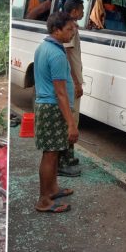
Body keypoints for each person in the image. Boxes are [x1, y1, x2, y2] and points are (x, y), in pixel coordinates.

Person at [33, 11, 78, 213]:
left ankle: (52, 189)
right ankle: (44, 200)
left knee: (53, 152)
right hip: (52, 108)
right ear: (56, 30)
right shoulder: (57, 55)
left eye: (74, 28)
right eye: (69, 29)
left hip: (46, 106)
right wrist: (71, 123)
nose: (73, 33)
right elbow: (60, 93)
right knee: (50, 155)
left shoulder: (44, 47)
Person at [58, 0, 85, 177]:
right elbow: (68, 55)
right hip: (70, 80)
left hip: (70, 79)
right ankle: (64, 161)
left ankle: (69, 157)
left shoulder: (66, 26)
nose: (83, 13)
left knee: (72, 120)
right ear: (74, 11)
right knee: (71, 121)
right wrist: (75, 82)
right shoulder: (70, 30)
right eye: (81, 9)